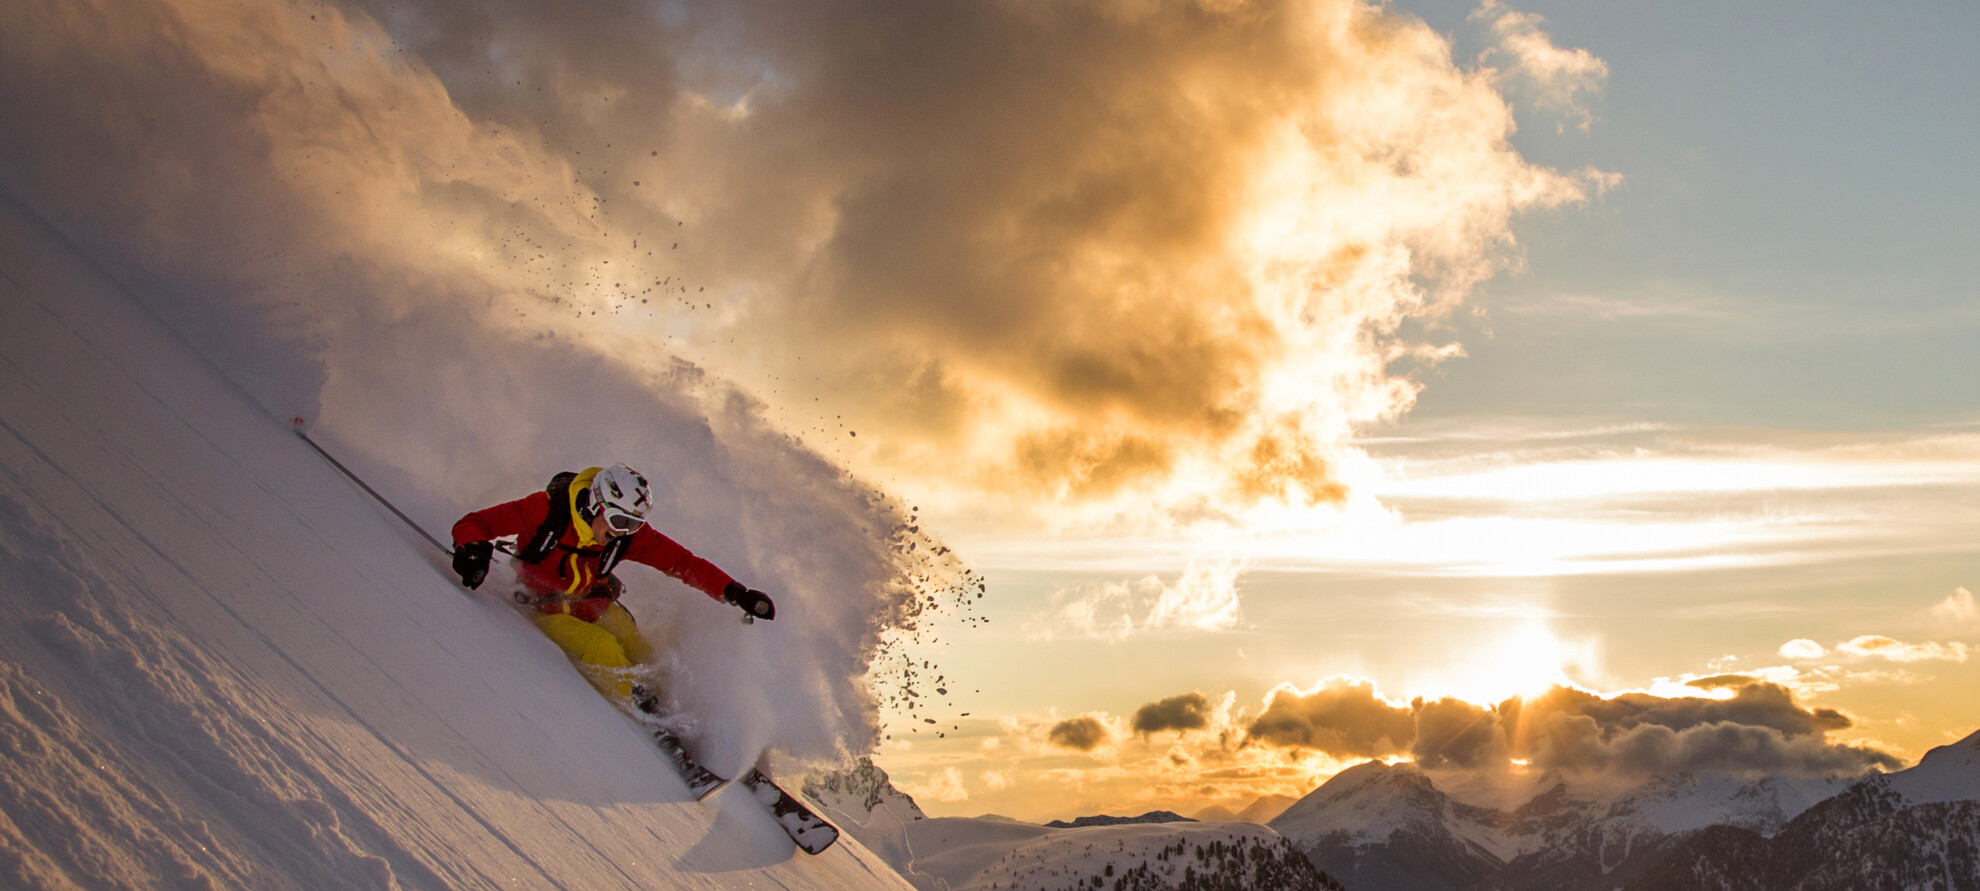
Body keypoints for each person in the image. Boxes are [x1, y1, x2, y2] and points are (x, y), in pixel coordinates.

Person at [450, 464, 775, 704]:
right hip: (547, 608)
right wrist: (472, 549)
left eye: (633, 524)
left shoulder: (627, 537)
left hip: (592, 602)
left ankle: (674, 708)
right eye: (620, 521)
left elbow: (682, 563)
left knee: (636, 646)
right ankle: (644, 709)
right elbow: (475, 524)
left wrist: (734, 591)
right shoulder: (546, 510)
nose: (623, 532)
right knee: (602, 647)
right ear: (596, 505)